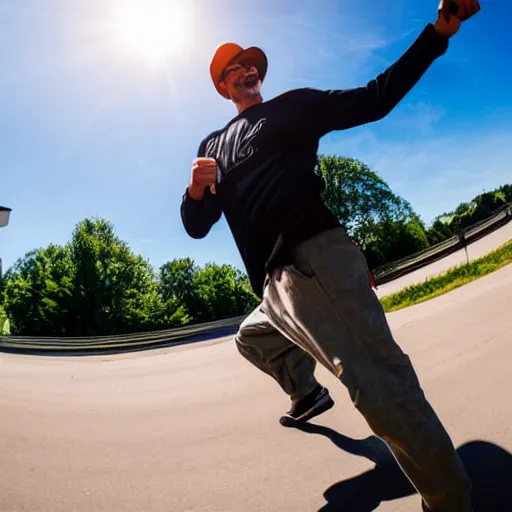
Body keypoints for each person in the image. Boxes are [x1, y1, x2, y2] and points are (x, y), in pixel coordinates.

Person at [180, 2, 480, 510]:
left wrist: (437, 33)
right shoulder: (211, 147)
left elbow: (374, 99)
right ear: (223, 86)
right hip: (275, 295)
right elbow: (196, 226)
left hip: (312, 260)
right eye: (236, 68)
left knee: (379, 387)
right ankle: (306, 393)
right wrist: (193, 192)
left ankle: (451, 502)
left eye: (252, 64)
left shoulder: (293, 106)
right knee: (250, 339)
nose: (248, 70)